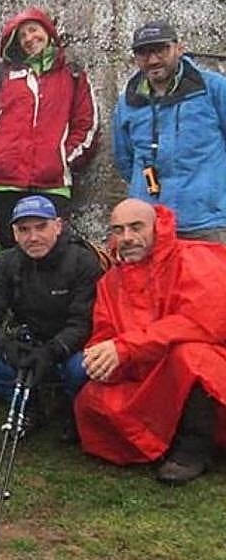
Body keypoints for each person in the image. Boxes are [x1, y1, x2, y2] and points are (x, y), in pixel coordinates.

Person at [76, 199, 226, 484]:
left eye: (136, 227)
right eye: (118, 230)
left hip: (206, 366)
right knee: (90, 400)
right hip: (147, 371)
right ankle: (165, 441)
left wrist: (127, 347)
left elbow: (203, 322)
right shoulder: (111, 282)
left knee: (192, 357)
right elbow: (105, 333)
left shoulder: (194, 257)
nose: (127, 237)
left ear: (157, 227)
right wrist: (103, 358)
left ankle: (194, 448)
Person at [0, 195, 102, 437]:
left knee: (83, 365)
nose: (33, 237)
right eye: (24, 230)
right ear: (15, 234)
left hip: (69, 348)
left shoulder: (83, 262)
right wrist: (6, 346)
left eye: (41, 227)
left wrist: (52, 351)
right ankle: (28, 405)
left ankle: (71, 406)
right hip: (25, 345)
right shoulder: (5, 263)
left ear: (58, 226)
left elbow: (84, 321)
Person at [0, 7, 98, 248]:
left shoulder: (72, 74)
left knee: (52, 250)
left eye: (33, 30)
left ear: (48, 31)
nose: (29, 38)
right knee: (11, 250)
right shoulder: (5, 75)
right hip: (3, 180)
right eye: (22, 36)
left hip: (51, 181)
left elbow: (86, 122)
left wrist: (63, 159)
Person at [113, 20, 226, 243]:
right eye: (144, 53)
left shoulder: (213, 88)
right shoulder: (127, 103)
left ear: (179, 48)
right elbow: (125, 159)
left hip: (207, 222)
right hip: (150, 225)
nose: (153, 59)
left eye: (161, 50)